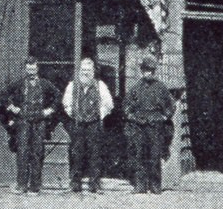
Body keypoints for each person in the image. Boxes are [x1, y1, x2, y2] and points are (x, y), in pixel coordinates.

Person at [0, 57, 60, 194]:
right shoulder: (20, 84)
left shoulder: (45, 84)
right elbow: (2, 95)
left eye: (33, 68)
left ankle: (35, 187)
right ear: (25, 69)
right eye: (28, 68)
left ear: (37, 68)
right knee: (22, 153)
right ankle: (21, 185)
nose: (31, 71)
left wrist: (50, 110)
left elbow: (57, 95)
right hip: (23, 122)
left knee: (37, 153)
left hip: (39, 122)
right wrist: (12, 107)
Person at [62, 58, 114, 193]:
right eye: (83, 70)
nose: (85, 73)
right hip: (78, 124)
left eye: (88, 70)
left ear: (93, 72)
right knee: (76, 154)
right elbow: (66, 103)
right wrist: (73, 114)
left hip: (93, 124)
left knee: (95, 154)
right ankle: (75, 183)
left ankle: (94, 184)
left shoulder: (100, 85)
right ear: (79, 71)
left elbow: (109, 104)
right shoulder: (73, 86)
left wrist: (99, 114)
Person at [124, 56, 174, 194]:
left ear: (154, 71)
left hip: (155, 125)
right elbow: (126, 105)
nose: (149, 73)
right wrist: (131, 116)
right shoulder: (136, 88)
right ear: (142, 71)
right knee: (139, 155)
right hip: (139, 125)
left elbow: (171, 105)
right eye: (146, 70)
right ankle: (140, 185)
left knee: (154, 155)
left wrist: (165, 116)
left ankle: (155, 185)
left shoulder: (161, 88)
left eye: (151, 71)